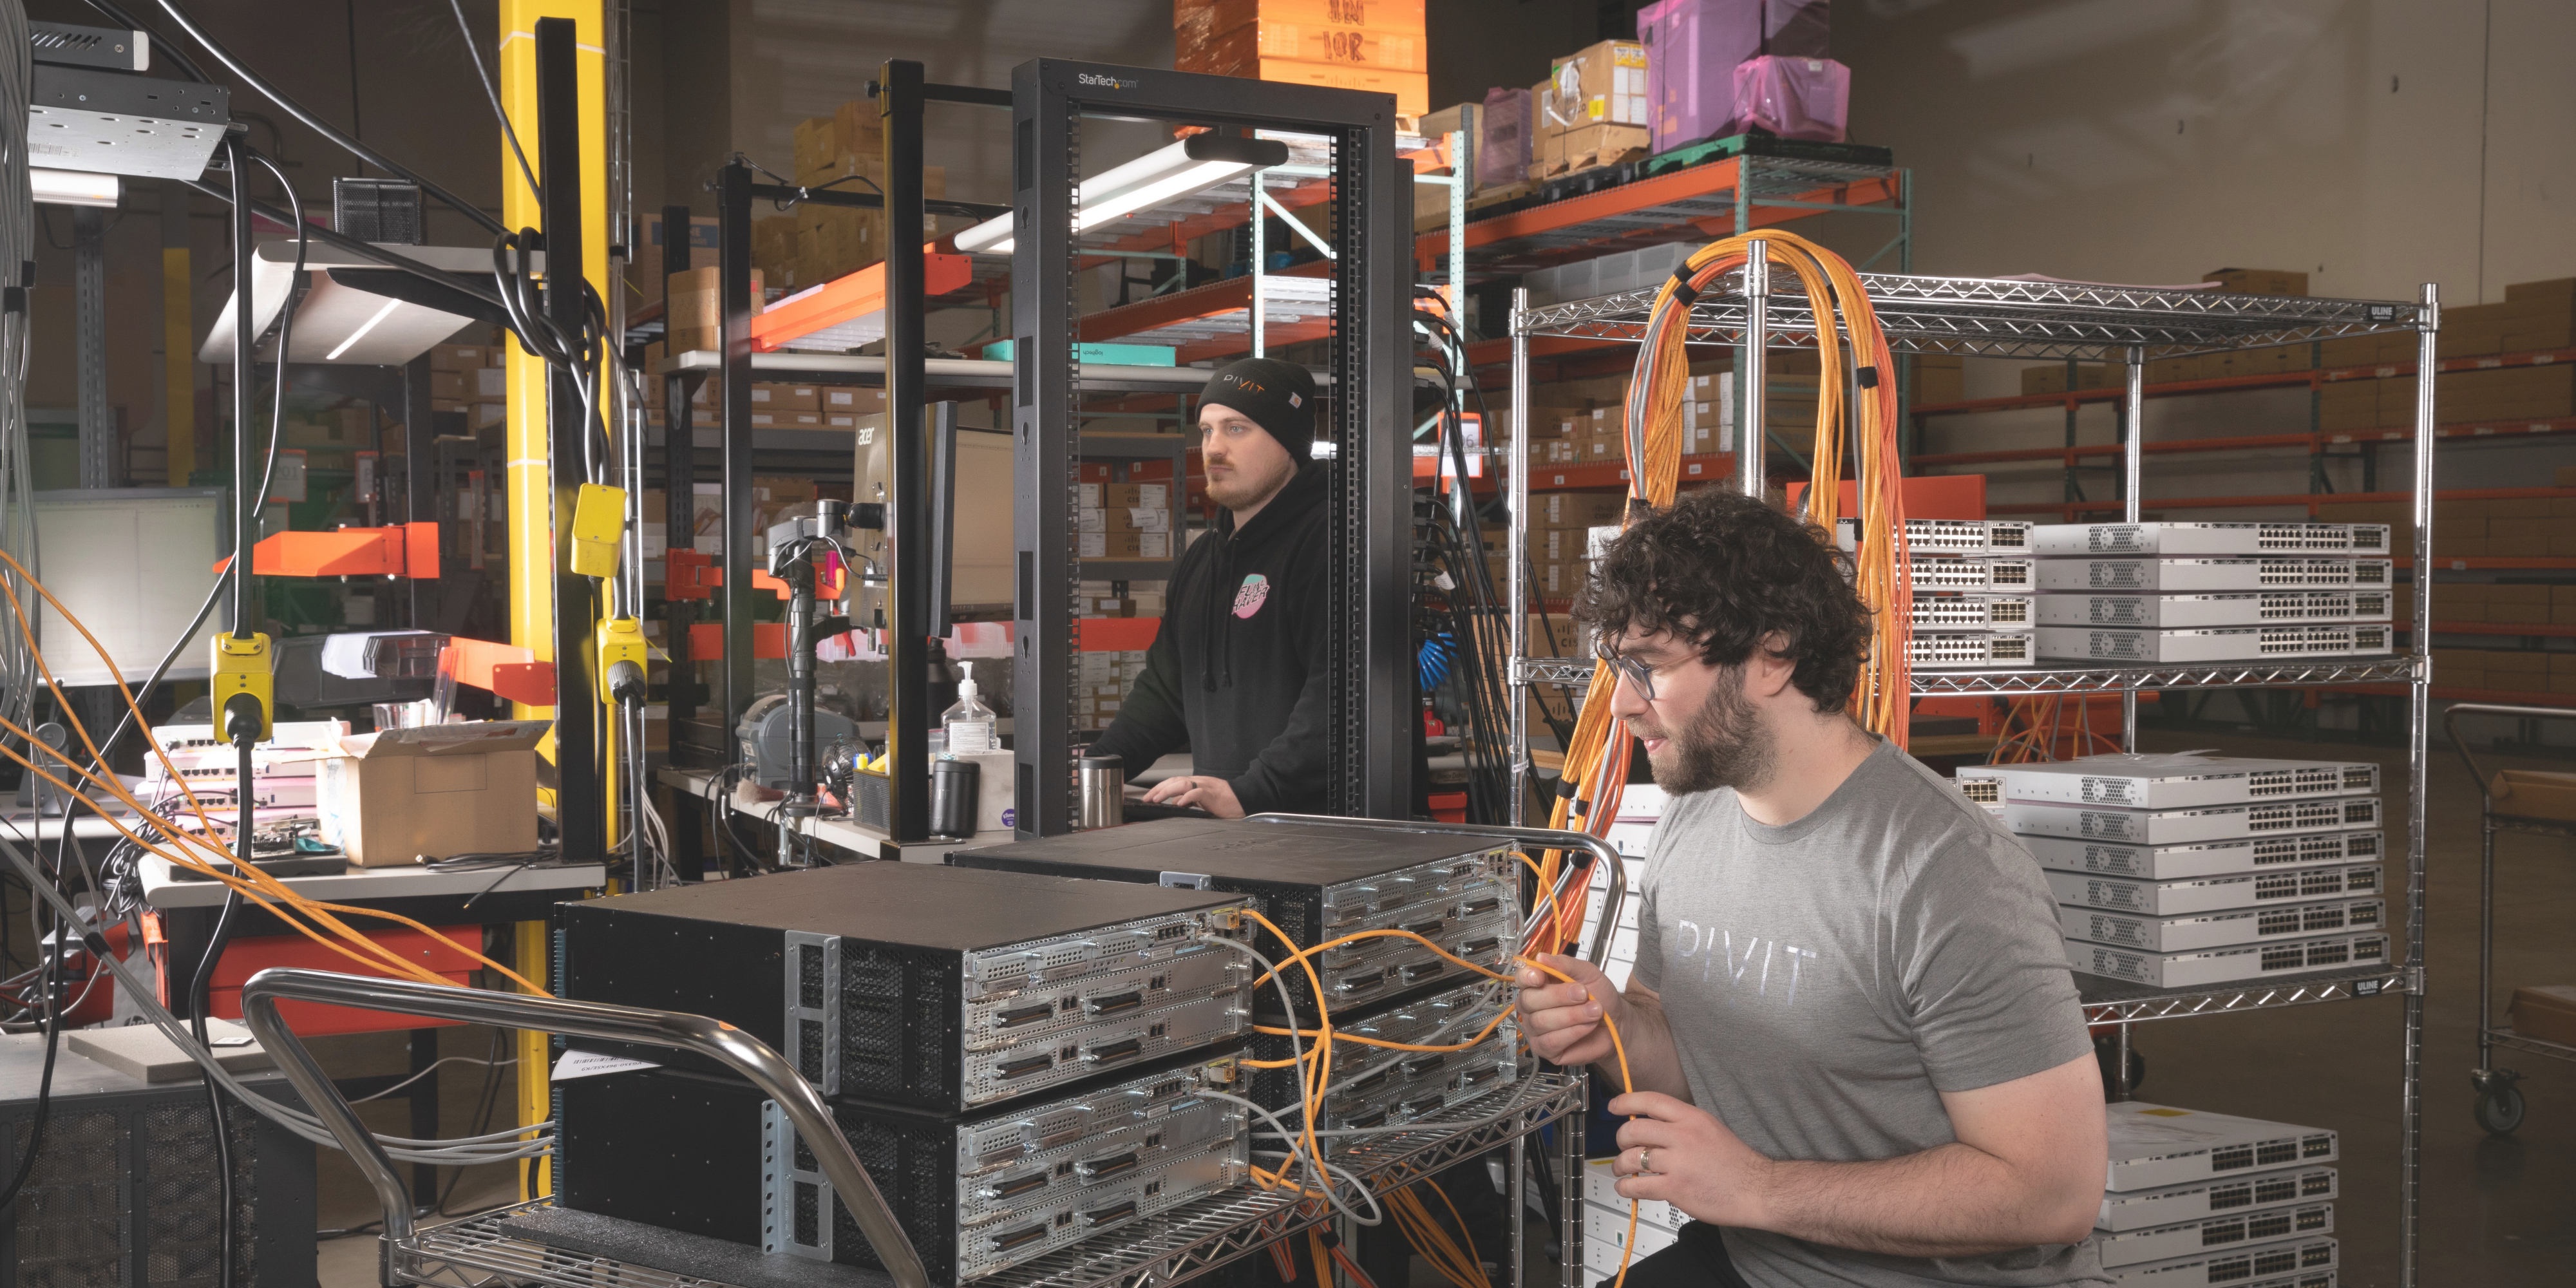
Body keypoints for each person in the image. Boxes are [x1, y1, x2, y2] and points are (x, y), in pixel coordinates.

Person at [1515, 488, 2108, 1288]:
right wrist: (1615, 1025)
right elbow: (1687, 1063)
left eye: (1647, 668)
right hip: (1755, 1257)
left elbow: (2053, 1192)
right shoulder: (1696, 816)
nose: (1619, 703)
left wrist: (1755, 1186)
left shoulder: (1947, 874)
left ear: (1772, 655)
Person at [1088, 357, 1329, 819]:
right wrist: (1098, 769)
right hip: (1231, 830)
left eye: (1236, 429)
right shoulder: (1204, 558)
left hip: (1321, 832)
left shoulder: (1334, 543)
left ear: (1288, 441)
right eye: (1206, 430)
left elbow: (1339, 699)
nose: (1213, 448)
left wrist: (1256, 791)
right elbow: (1165, 690)